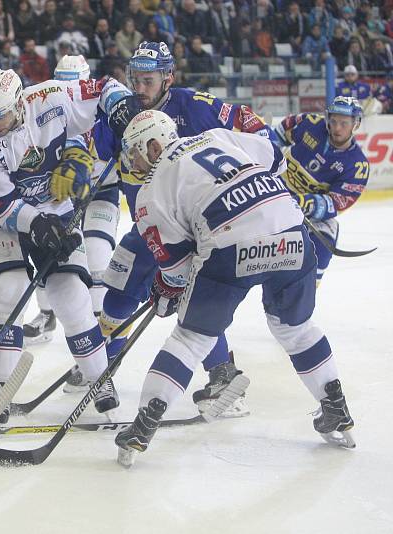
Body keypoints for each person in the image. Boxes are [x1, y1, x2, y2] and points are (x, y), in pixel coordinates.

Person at [114, 110, 355, 468]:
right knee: (295, 328)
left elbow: (177, 268)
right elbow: (274, 155)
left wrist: (166, 290)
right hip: (290, 230)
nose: (131, 161)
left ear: (153, 144)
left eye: (134, 152)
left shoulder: (149, 192)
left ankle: (143, 425)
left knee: (190, 340)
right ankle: (335, 406)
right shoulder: (217, 136)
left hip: (230, 246)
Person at [97, 41, 278, 416]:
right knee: (117, 292)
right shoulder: (124, 114)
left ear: (168, 78)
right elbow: (91, 148)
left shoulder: (195, 105)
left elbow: (259, 134)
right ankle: (100, 370)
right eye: (135, 80)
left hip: (198, 231)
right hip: (149, 225)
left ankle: (223, 376)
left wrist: (257, 176)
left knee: (190, 302)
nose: (140, 88)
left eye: (148, 80)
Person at [0, 67, 140, 422]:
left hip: (54, 202)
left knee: (71, 293)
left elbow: (103, 88)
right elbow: (4, 206)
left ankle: (98, 379)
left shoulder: (50, 97)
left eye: (1, 116)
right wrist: (38, 224)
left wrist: (120, 107)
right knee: (8, 291)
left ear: (20, 102)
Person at [24, 55, 119, 344]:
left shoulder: (106, 114)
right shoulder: (45, 114)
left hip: (101, 193)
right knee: (49, 252)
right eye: (61, 85)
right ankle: (47, 313)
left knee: (97, 258)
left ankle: (100, 335)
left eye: (74, 85)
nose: (67, 94)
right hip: (62, 196)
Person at [274, 96, 369, 284]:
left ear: (355, 124)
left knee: (326, 239)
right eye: (333, 121)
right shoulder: (309, 123)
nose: (337, 128)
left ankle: (304, 291)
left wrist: (303, 203)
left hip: (305, 210)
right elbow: (277, 133)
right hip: (274, 193)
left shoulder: (357, 165)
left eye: (344, 123)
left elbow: (337, 202)